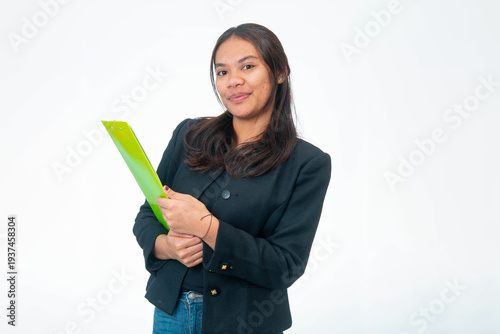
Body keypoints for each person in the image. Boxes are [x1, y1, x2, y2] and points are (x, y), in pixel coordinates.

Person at [133, 23, 331, 334]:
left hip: (245, 322)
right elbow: (148, 215)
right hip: (173, 314)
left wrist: (206, 226)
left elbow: (285, 267)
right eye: (222, 72)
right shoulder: (189, 134)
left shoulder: (307, 163)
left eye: (248, 66)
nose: (233, 81)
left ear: (280, 71)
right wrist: (167, 246)